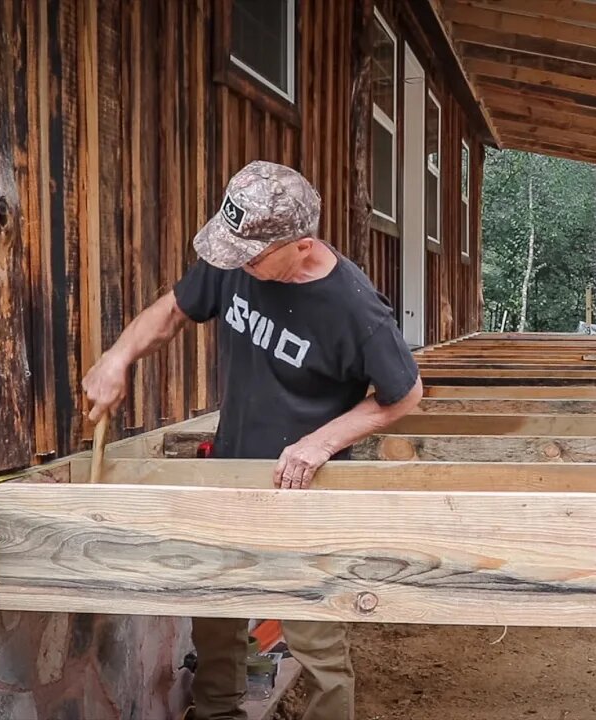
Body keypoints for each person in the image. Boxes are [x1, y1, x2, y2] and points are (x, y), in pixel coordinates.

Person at [82, 159, 423, 720]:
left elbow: (404, 394)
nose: (232, 262)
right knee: (216, 615)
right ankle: (216, 713)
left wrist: (320, 443)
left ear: (303, 246)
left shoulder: (355, 309)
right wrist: (118, 357)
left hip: (307, 489)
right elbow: (173, 310)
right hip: (231, 472)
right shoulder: (239, 252)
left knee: (315, 636)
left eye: (249, 257)